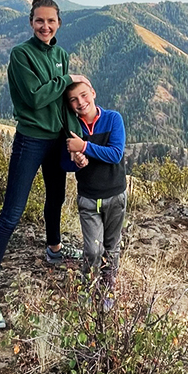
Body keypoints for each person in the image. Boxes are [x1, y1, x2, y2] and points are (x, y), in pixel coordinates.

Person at [0, 0, 89, 330]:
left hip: (56, 140)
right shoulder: (21, 55)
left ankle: (53, 248)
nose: (45, 26)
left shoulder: (61, 54)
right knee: (11, 213)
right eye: (40, 21)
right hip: (31, 140)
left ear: (59, 23)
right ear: (31, 22)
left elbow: (63, 102)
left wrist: (75, 137)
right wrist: (69, 78)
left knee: (56, 197)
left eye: (51, 21)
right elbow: (38, 98)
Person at [60, 80, 127, 308]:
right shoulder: (72, 129)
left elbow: (115, 154)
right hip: (88, 197)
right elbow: (66, 163)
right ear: (70, 105)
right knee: (92, 249)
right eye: (74, 100)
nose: (81, 102)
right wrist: (77, 160)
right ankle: (88, 287)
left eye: (84, 95)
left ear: (93, 93)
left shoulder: (113, 119)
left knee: (112, 246)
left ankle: (108, 290)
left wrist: (85, 147)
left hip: (115, 195)